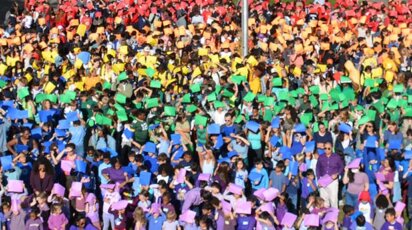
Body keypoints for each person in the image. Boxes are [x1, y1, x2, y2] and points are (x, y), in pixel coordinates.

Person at [316, 142, 344, 208]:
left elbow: (341, 167)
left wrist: (337, 174)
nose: (327, 150)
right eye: (325, 148)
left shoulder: (337, 157)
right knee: (324, 199)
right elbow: (318, 168)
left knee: (333, 199)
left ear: (331, 148)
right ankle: (326, 216)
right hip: (323, 179)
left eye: (329, 148)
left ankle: (334, 216)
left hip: (333, 180)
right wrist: (319, 179)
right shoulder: (321, 157)